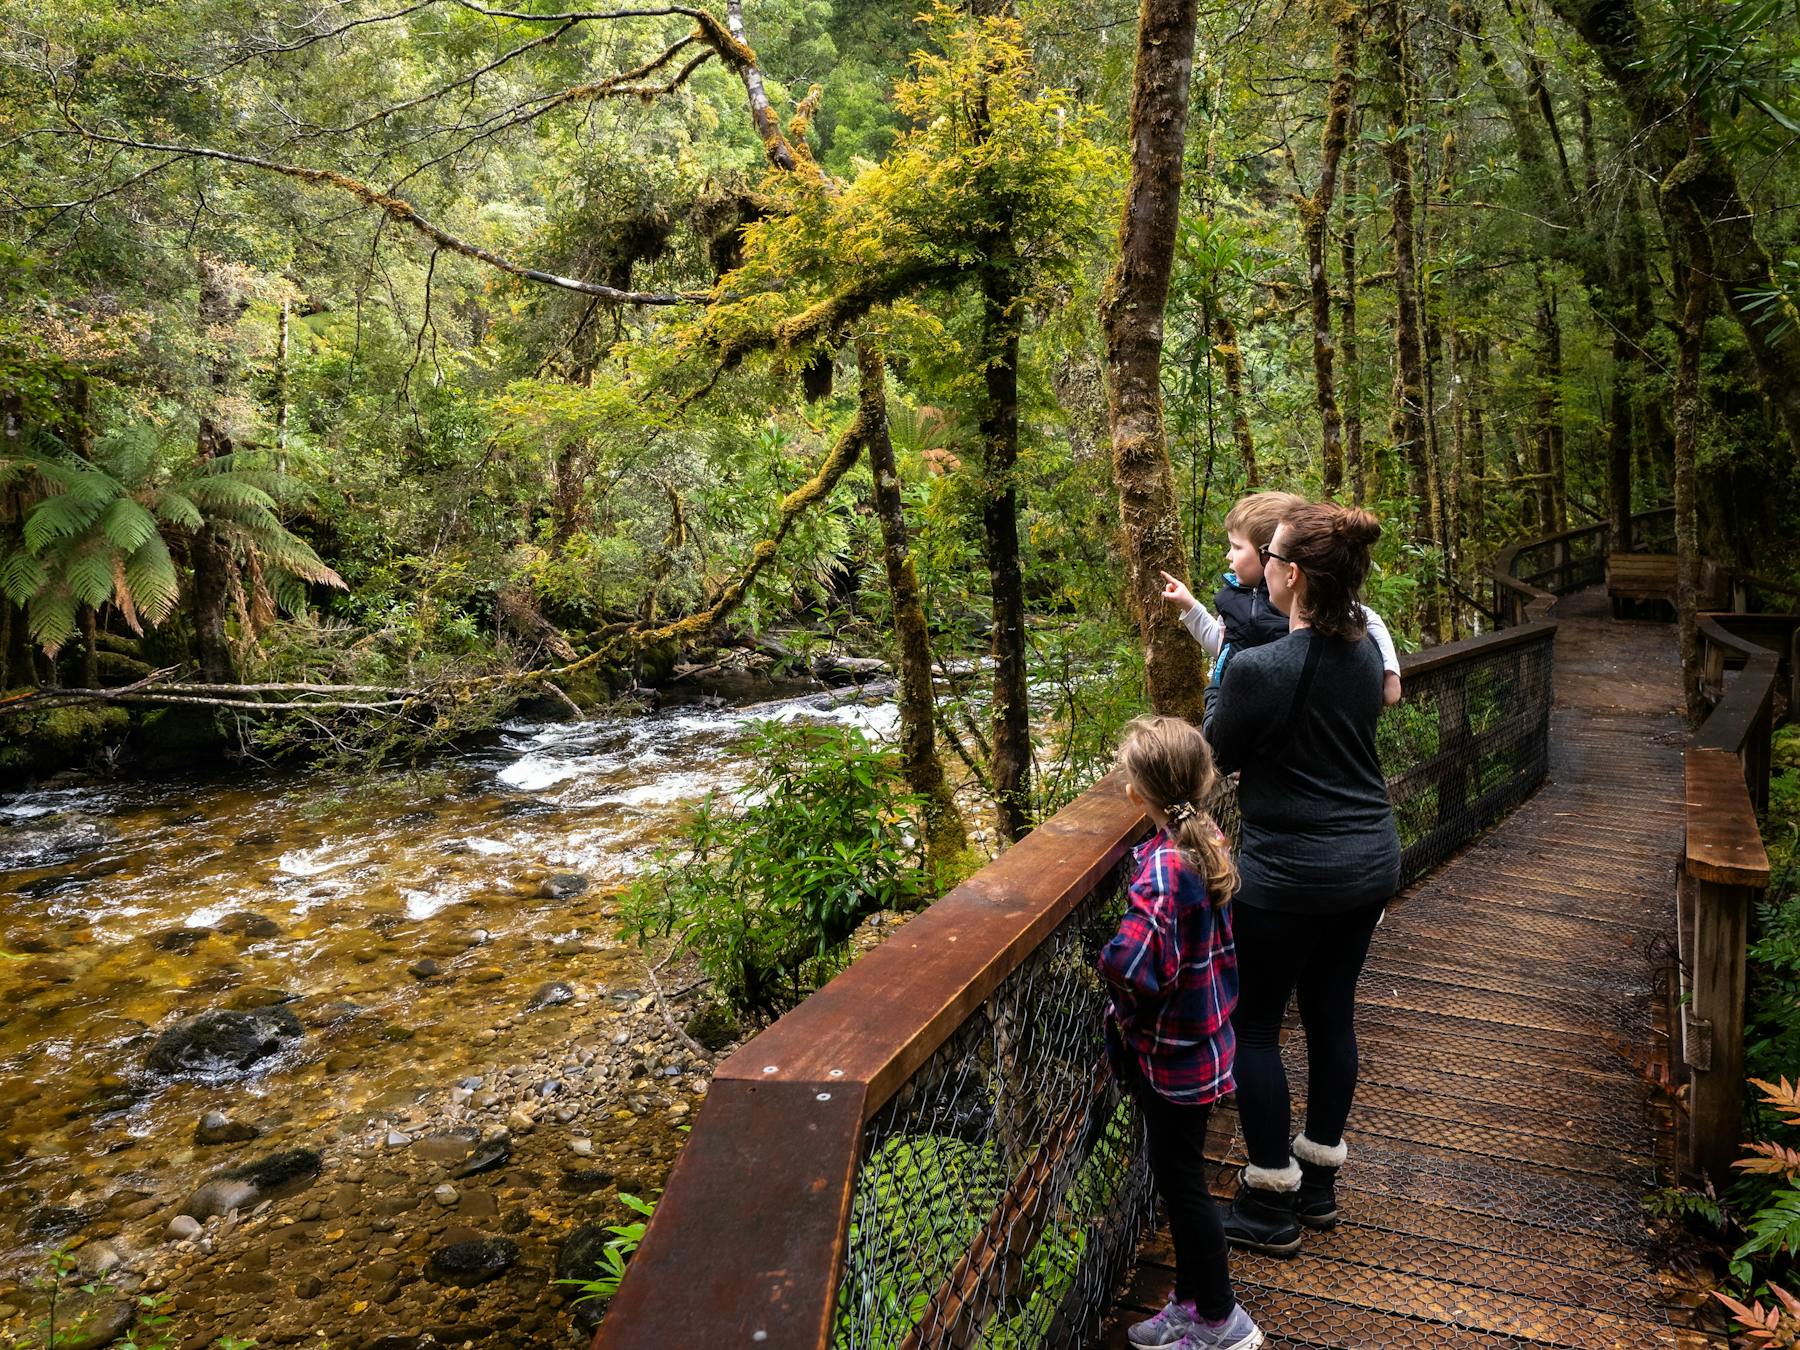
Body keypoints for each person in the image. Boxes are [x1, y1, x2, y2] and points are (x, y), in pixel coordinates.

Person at [1202, 504, 1401, 1257]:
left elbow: (1215, 753)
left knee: (1254, 1027)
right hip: (1368, 863)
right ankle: (1318, 1184)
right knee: (1329, 1013)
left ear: (1290, 575)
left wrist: (1221, 682)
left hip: (1289, 875)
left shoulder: (1260, 669)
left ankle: (1269, 1198)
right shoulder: (1363, 655)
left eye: (1272, 557)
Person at [1100, 716, 1265, 1350]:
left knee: (1184, 1186)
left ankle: (1223, 1320)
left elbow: (1132, 963)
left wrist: (1103, 954)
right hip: (1205, 1045)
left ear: (1138, 795)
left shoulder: (1167, 868)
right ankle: (1193, 1302)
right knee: (1183, 1175)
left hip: (1172, 1058)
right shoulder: (1206, 839)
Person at [1160, 490, 1402, 706]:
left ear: (1268, 550)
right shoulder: (1232, 598)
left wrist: (1390, 674)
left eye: (1236, 547)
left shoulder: (1301, 598)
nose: (1228, 556)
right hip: (1236, 707)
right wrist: (1190, 607)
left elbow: (1366, 617)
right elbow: (1224, 646)